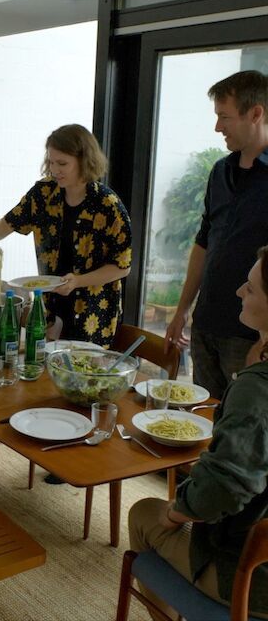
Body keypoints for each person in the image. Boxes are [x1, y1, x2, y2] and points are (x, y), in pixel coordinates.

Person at [129, 246, 268, 619]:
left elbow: (226, 486)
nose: (239, 291)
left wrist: (177, 512)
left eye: (251, 289)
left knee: (144, 513)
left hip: (251, 580)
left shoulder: (257, 390)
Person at [0, 124, 132, 348]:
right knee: (47, 371)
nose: (55, 170)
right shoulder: (44, 194)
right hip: (51, 307)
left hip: (93, 312)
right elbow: (6, 225)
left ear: (85, 161)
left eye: (62, 163)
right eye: (51, 162)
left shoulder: (108, 205)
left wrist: (78, 281)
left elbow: (122, 266)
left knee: (80, 375)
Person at [165, 70, 268, 399]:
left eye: (225, 117)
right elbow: (203, 242)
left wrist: (265, 344)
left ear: (256, 113)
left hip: (249, 335)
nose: (217, 127)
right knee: (203, 424)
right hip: (206, 324)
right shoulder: (220, 171)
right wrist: (182, 310)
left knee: (241, 435)